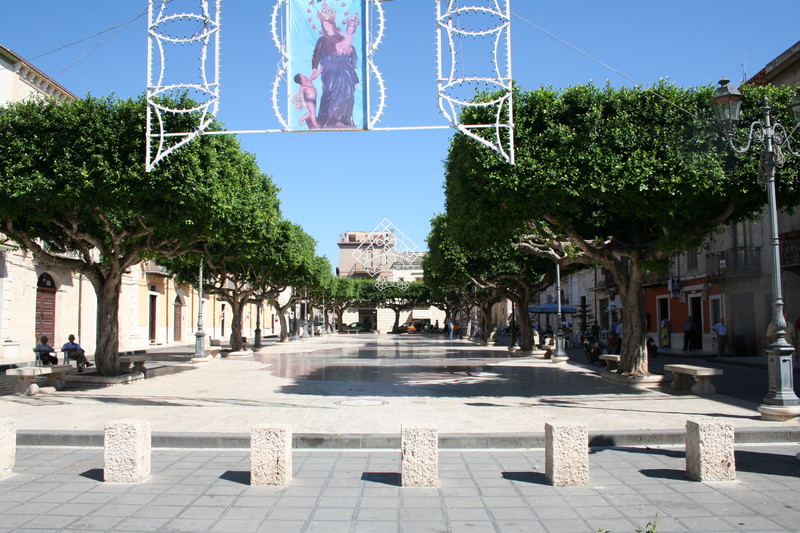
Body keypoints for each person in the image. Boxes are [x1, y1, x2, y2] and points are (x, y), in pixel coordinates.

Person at [311, 6, 360, 129]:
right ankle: (328, 120)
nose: (326, 26)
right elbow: (316, 55)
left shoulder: (341, 37)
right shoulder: (322, 40)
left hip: (343, 67)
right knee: (329, 91)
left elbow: (351, 50)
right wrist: (314, 69)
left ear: (332, 24)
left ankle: (343, 120)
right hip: (329, 69)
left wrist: (349, 52)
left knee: (347, 91)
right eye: (324, 25)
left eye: (327, 24)